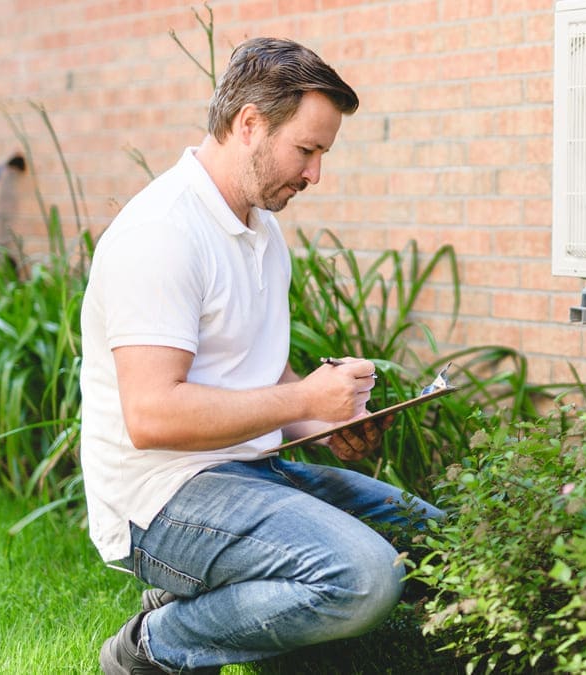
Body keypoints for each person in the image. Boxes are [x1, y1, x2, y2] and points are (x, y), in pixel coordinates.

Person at [79, 37, 442, 674]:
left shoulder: (259, 230)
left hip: (251, 472)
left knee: (440, 542)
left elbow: (256, 375)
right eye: (306, 150)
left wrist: (327, 424)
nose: (314, 175)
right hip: (162, 499)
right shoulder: (160, 233)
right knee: (365, 576)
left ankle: (222, 594)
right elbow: (153, 415)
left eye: (322, 154)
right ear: (249, 123)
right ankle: (154, 645)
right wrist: (303, 397)